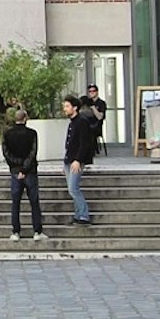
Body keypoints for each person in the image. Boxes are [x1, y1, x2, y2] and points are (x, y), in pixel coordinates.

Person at [0, 110, 47, 242]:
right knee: (34, 202)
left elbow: (6, 153)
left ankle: (16, 231)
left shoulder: (7, 134)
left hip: (15, 172)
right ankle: (37, 231)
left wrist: (18, 168)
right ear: (25, 118)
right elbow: (33, 153)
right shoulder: (32, 133)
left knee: (15, 203)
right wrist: (25, 168)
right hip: (30, 172)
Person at [62, 94, 97, 225]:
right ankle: (78, 214)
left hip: (75, 160)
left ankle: (83, 214)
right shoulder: (73, 122)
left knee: (73, 188)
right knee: (72, 188)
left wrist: (78, 159)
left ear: (75, 108)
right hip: (69, 159)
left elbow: (84, 143)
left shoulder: (82, 122)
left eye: (67, 106)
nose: (65, 109)